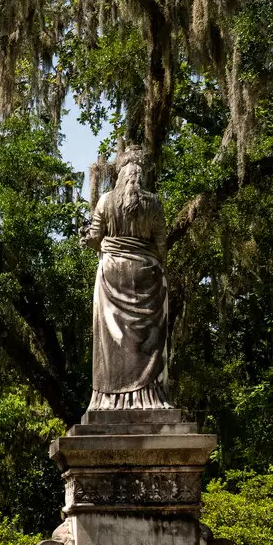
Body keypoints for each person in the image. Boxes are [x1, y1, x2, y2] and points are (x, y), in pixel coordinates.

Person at [83, 146, 171, 413]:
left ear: (119, 174)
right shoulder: (153, 203)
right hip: (147, 275)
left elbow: (94, 238)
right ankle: (149, 397)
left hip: (112, 274)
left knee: (113, 340)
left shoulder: (106, 201)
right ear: (140, 176)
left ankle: (110, 399)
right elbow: (162, 246)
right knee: (148, 340)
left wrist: (87, 238)